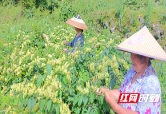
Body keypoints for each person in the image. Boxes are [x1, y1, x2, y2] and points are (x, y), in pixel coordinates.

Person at [98, 26, 166, 114]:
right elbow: (123, 95)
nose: (131, 58)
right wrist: (107, 92)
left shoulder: (151, 83)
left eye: (134, 55)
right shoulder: (132, 71)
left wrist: (115, 106)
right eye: (131, 54)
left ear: (145, 57)